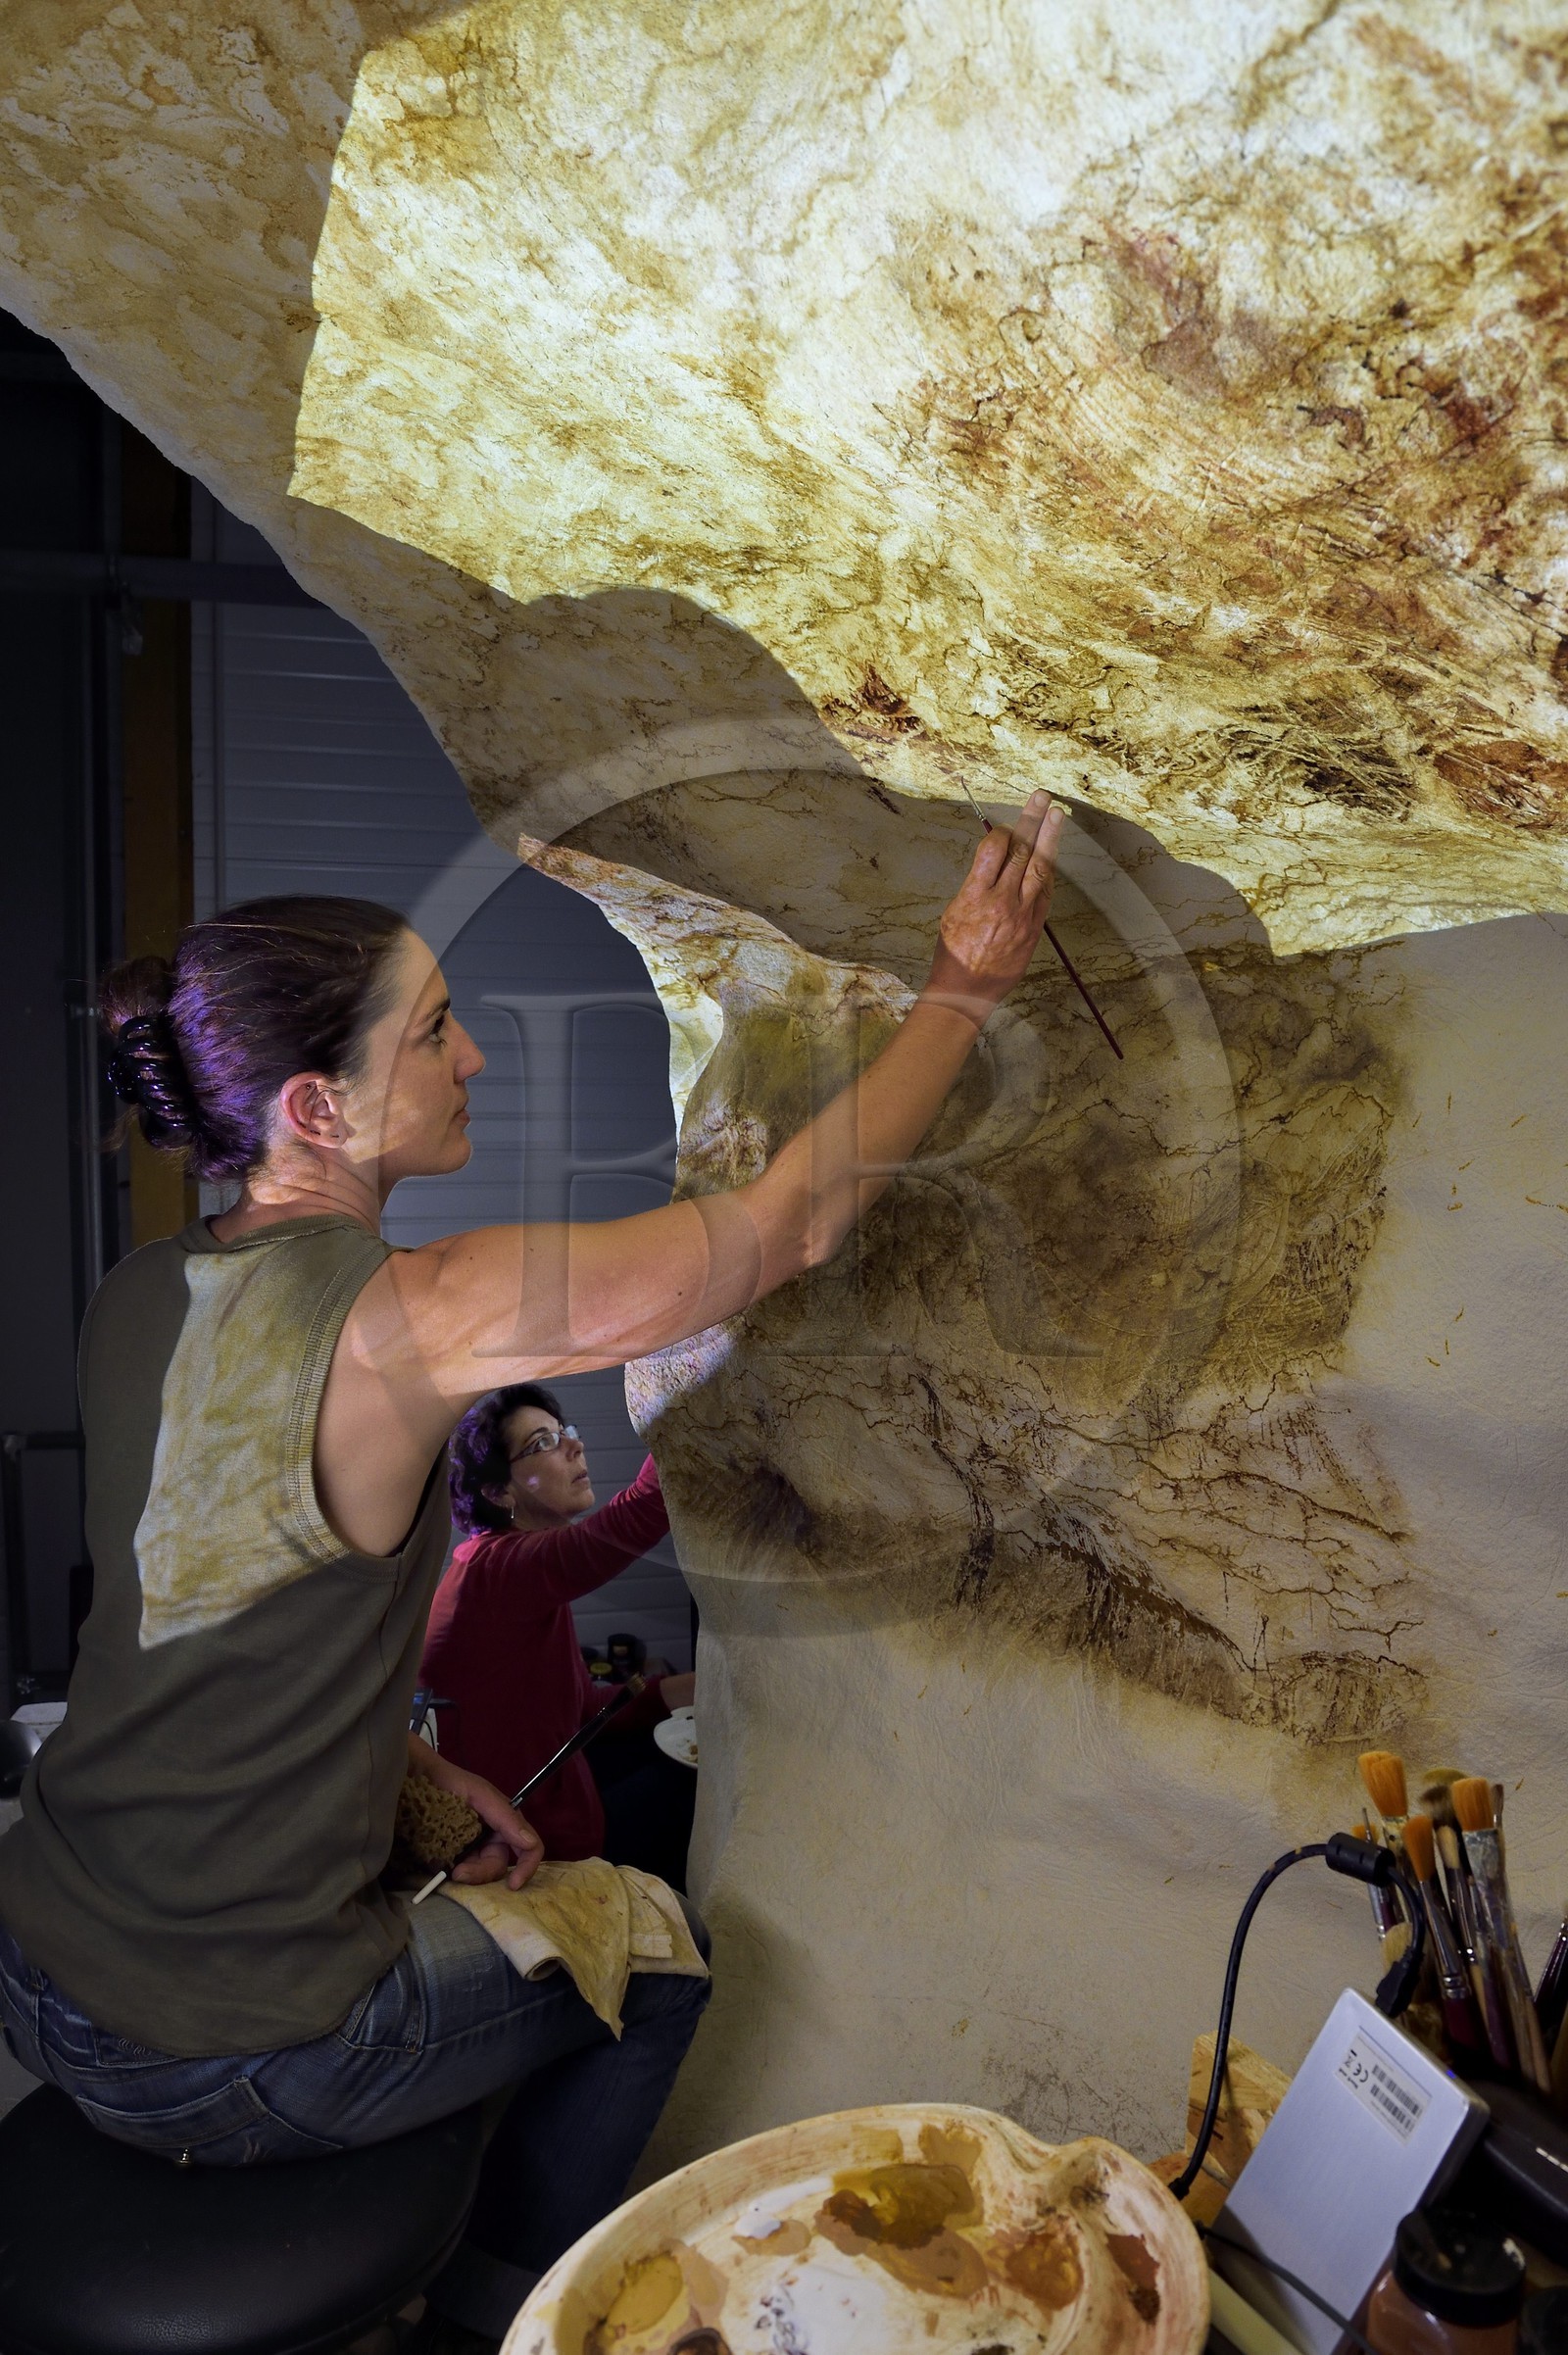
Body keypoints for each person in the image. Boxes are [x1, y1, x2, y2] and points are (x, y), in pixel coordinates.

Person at [0, 792, 1063, 2343]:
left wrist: (425, 1786)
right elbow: (785, 1227)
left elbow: (225, 1633)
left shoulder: (139, 1293)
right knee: (659, 1948)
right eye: (432, 1033)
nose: (474, 1055)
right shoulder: (416, 1311)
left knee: (524, 1883)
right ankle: (505, 2306)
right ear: (314, 1106)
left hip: (40, 1961)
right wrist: (967, 981)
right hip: (214, 2043)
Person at [429, 1386, 698, 1888]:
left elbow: (576, 1712)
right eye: (542, 1443)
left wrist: (682, 1688)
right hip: (530, 1851)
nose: (575, 1446)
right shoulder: (493, 1571)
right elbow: (638, 1513)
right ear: (498, 1492)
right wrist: (686, 1402)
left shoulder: (520, 1575)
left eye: (565, 1433)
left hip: (557, 1823)